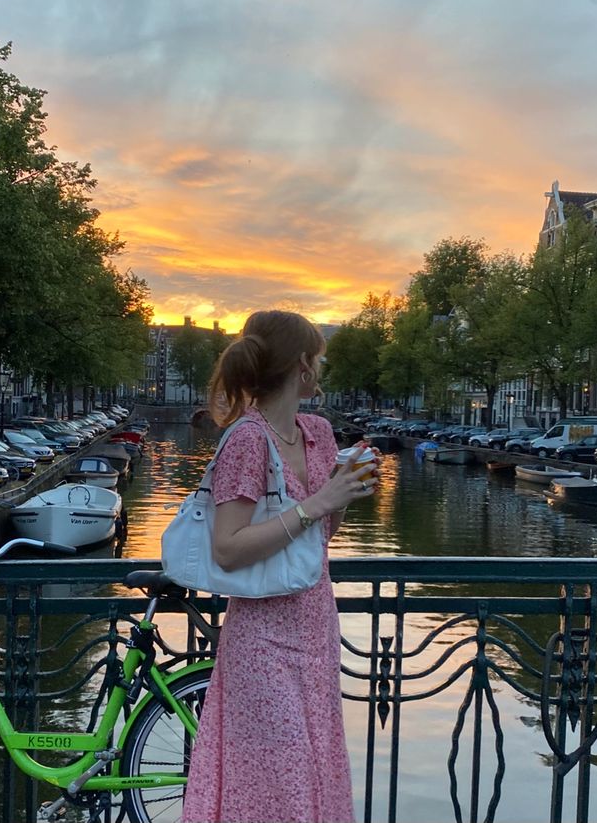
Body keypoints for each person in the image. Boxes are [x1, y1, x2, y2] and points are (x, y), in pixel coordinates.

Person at [181, 310, 378, 823]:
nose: (323, 366)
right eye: (319, 356)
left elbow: (317, 539)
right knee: (274, 784)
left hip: (315, 624)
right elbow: (228, 546)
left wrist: (343, 492)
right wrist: (317, 503)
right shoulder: (246, 438)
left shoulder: (316, 432)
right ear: (302, 366)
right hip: (263, 637)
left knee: (311, 769)